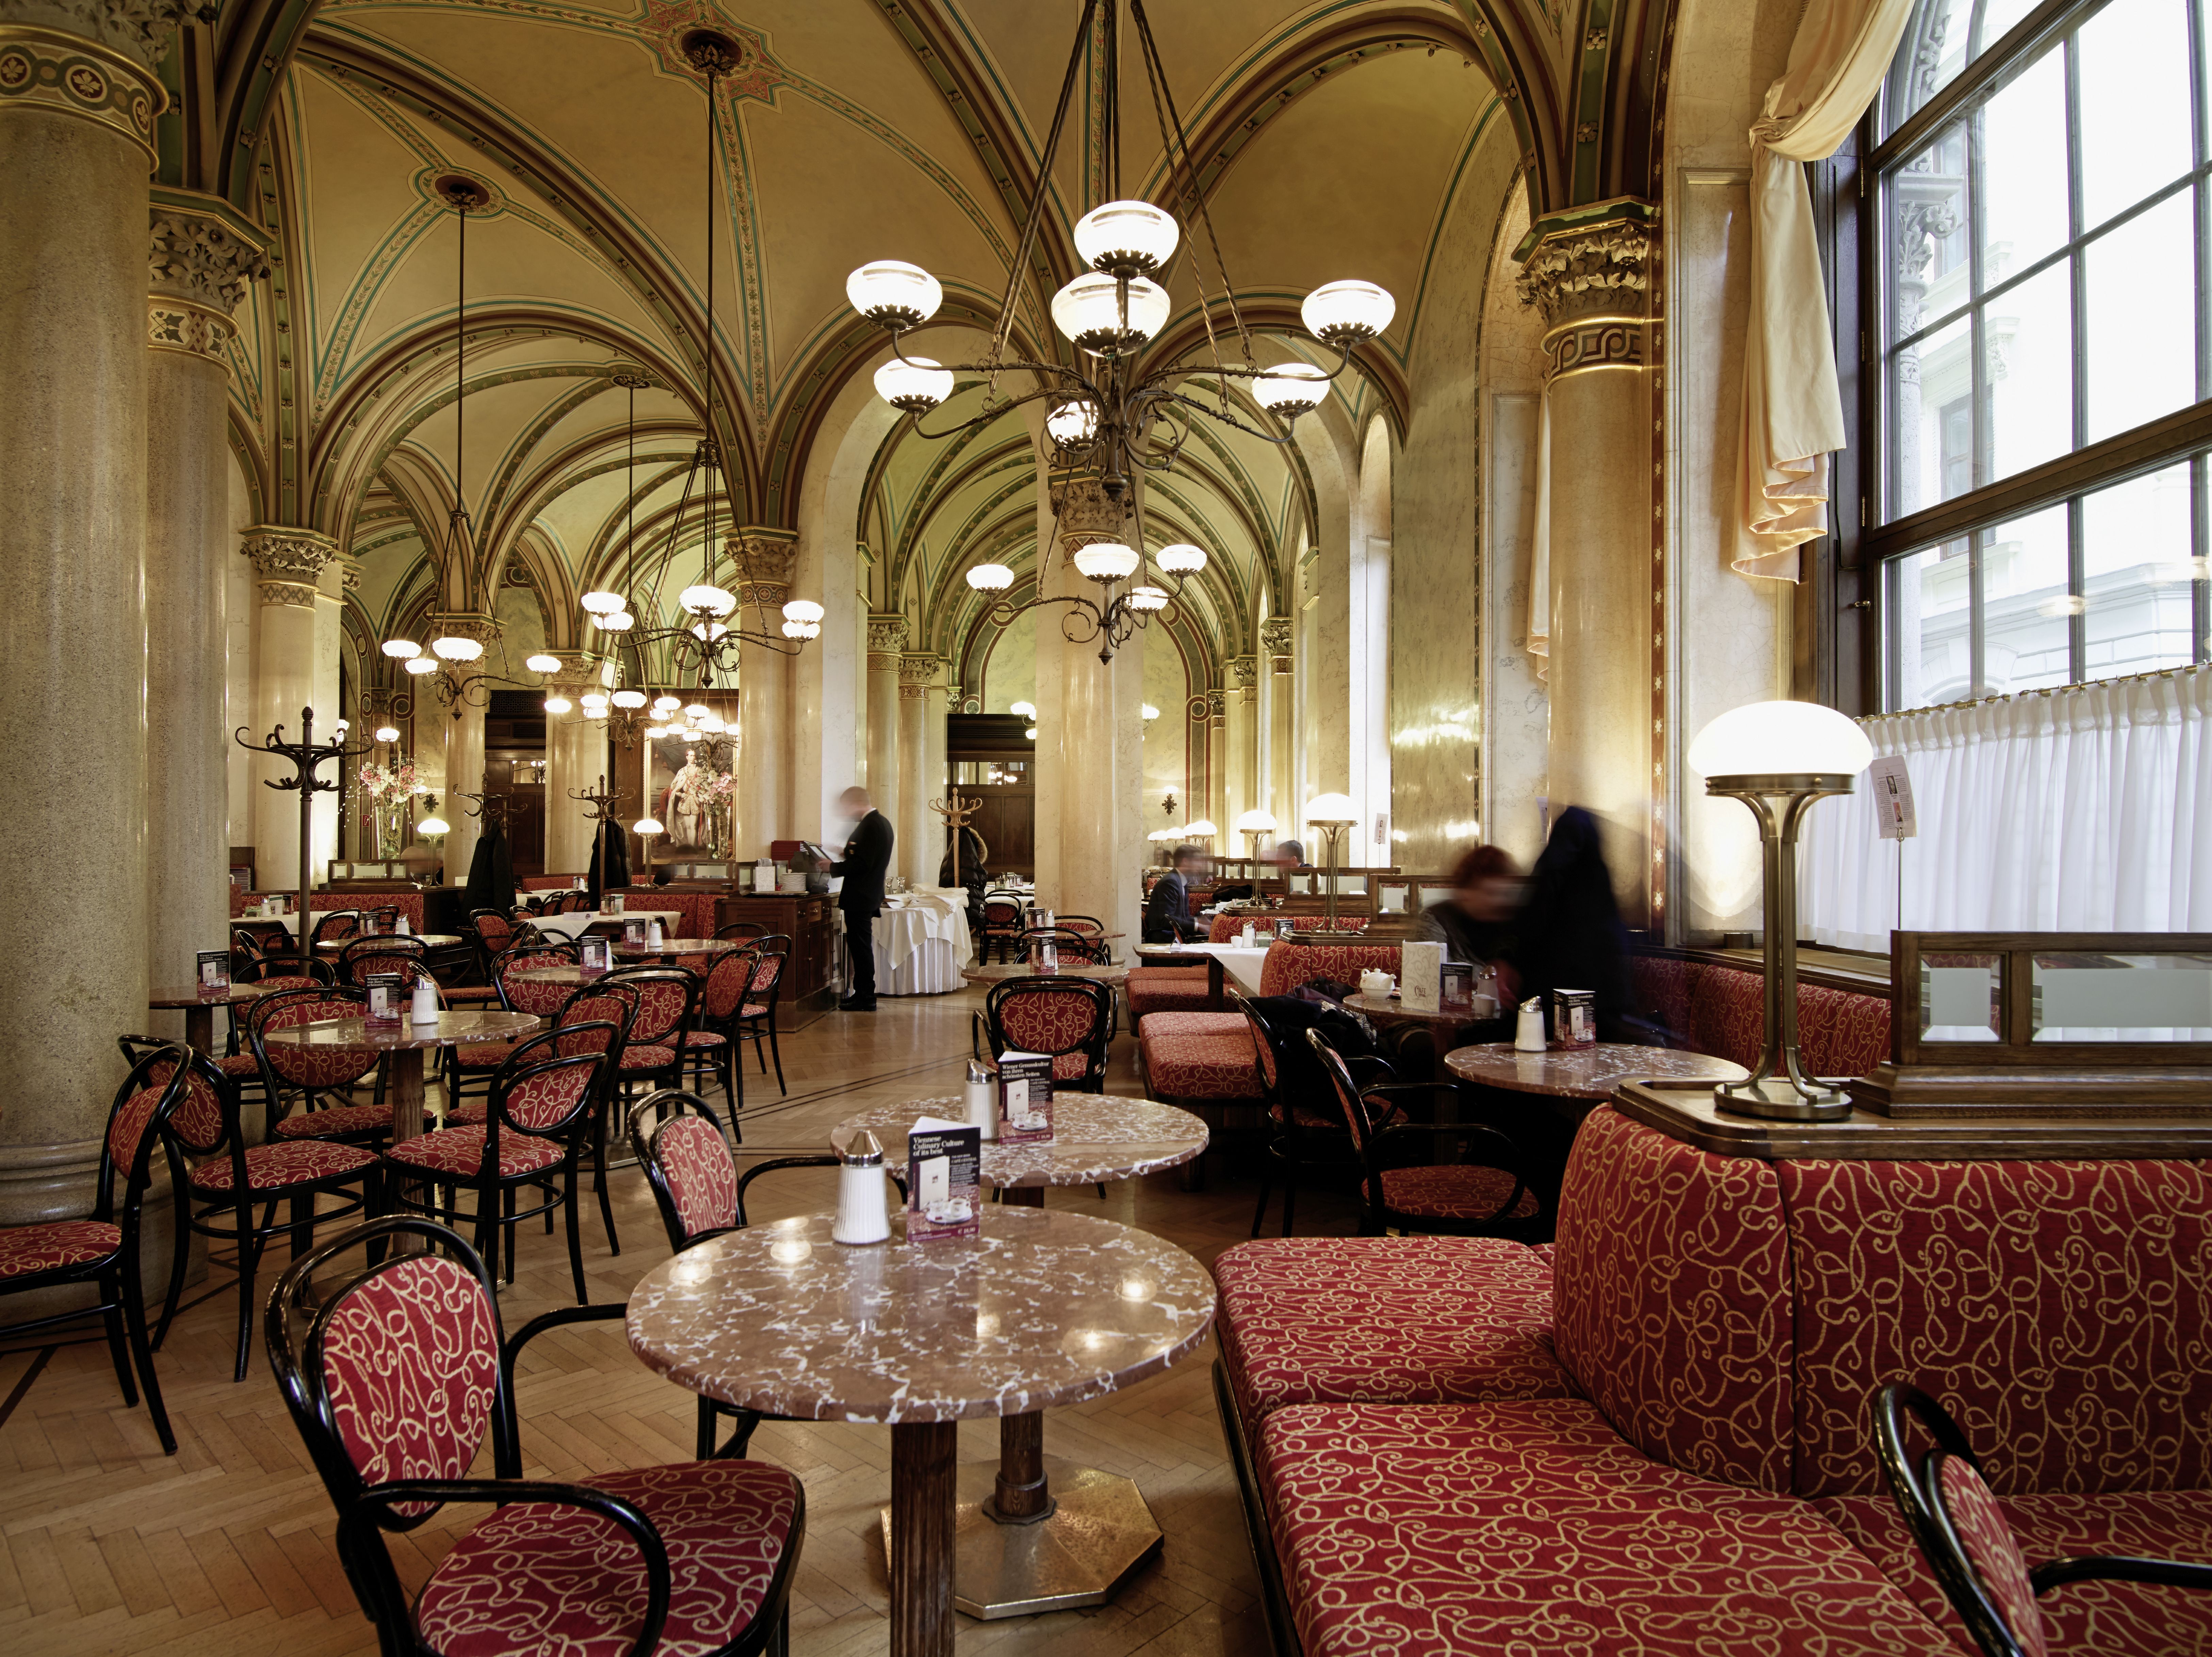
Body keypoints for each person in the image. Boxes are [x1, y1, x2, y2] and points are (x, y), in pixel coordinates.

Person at [1506, 807, 1635, 1041]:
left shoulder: (1552, 874)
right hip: (1602, 1001)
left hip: (1552, 989)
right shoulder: (1600, 884)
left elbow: (1534, 920)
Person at [829, 785, 894, 1011]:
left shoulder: (871, 825)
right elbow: (867, 856)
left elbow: (863, 864)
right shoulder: (881, 823)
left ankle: (866, 997)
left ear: (856, 803)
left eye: (846, 807)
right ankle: (862, 993)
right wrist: (844, 853)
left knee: (861, 948)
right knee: (860, 947)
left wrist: (832, 867)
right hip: (867, 894)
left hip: (861, 896)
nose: (845, 813)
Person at [1415, 844, 1520, 965]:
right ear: (1465, 892)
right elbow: (1431, 974)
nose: (1498, 901)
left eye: (1505, 894)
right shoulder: (1436, 920)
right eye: (1490, 893)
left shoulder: (1513, 923)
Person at [1142, 844, 1206, 943]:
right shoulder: (1170, 883)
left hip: (1174, 936)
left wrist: (1197, 921)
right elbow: (1167, 920)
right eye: (1197, 861)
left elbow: (1181, 918)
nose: (1200, 866)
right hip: (1164, 940)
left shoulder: (1180, 881)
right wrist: (1198, 926)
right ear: (1185, 862)